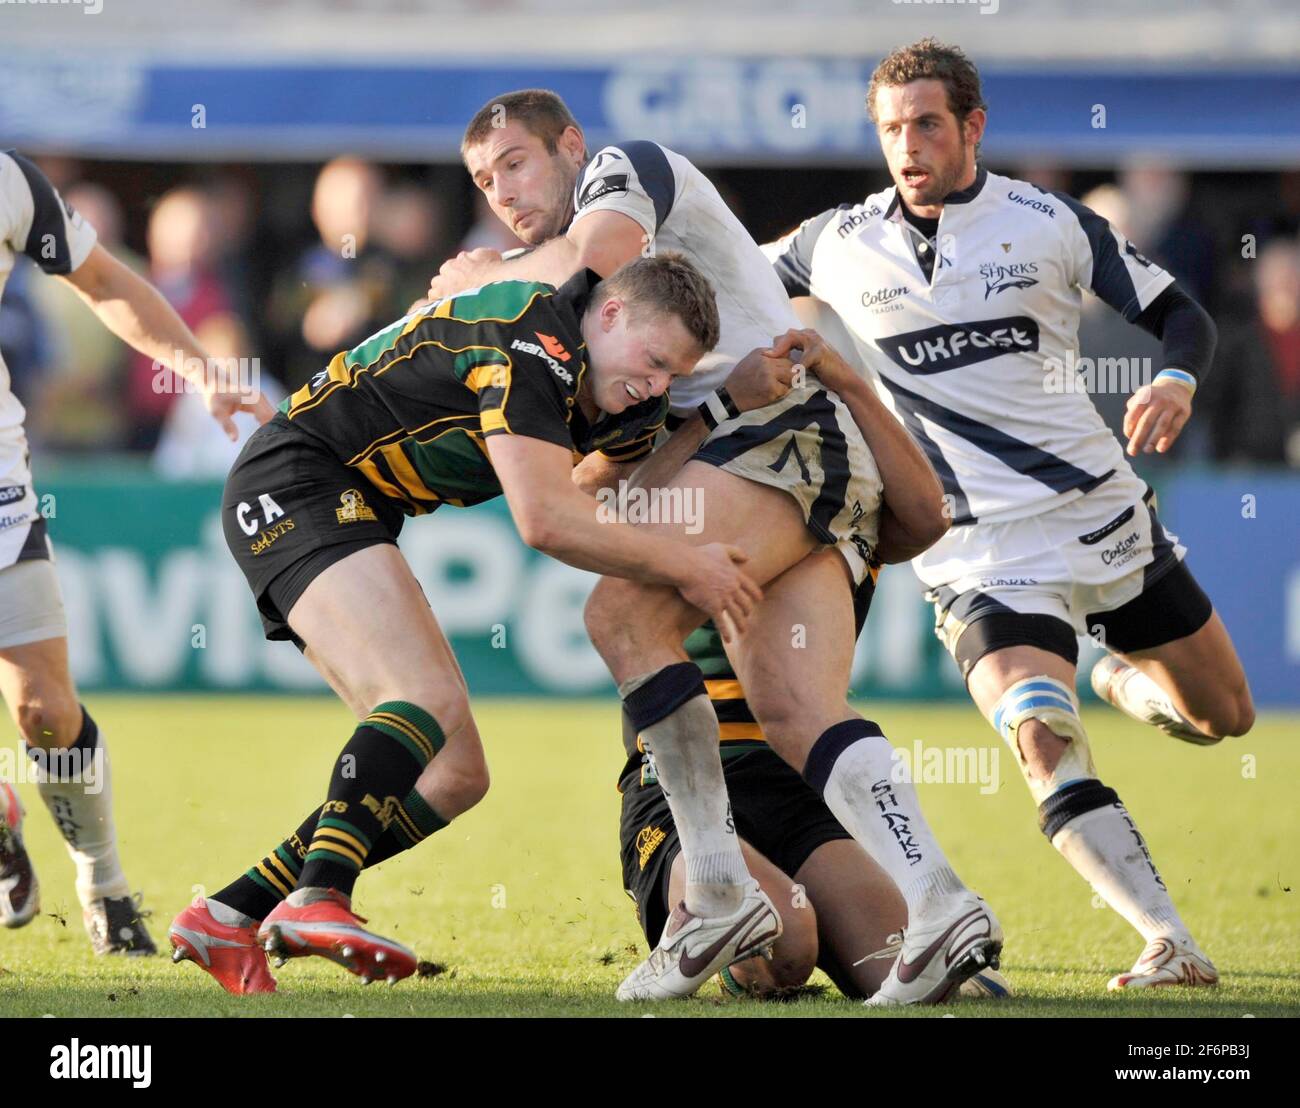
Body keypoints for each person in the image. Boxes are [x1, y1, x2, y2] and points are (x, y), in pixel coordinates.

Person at [424, 90, 1000, 1005]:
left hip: (780, 441)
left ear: (571, 146)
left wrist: (483, 279)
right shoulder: (630, 376)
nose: (504, 191)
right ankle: (941, 898)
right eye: (485, 180)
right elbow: (594, 495)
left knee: (619, 616)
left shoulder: (625, 173)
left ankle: (721, 892)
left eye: (518, 164)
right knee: (794, 703)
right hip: (790, 452)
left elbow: (593, 256)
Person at [765, 38, 1253, 990]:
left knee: (1221, 718)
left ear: (972, 127)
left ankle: (1115, 678)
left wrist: (1178, 379)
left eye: (928, 125)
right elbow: (717, 284)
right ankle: (1167, 940)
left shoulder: (1048, 221)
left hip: (1104, 520)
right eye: (893, 129)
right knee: (1039, 734)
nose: (909, 146)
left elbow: (1182, 311)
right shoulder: (834, 240)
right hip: (976, 548)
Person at [168, 253, 771, 992]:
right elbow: (545, 520)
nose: (655, 387)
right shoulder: (533, 339)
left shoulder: (618, 394)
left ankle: (229, 916)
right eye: (651, 362)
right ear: (609, 314)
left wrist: (712, 413)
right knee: (422, 701)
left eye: (673, 376)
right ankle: (320, 897)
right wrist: (687, 567)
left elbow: (605, 502)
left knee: (454, 774)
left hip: (349, 504)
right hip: (296, 480)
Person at [0, 149, 271, 954]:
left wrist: (199, 368)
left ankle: (105, 881)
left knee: (42, 709)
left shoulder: (11, 182)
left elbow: (106, 282)